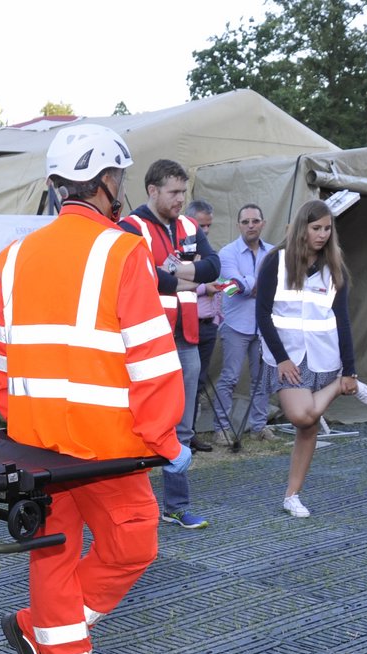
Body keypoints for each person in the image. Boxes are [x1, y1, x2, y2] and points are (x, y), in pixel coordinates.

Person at [0, 125, 187, 654]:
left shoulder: (14, 256)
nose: (121, 189)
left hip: (37, 442)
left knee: (54, 554)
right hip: (106, 447)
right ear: (104, 182)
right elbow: (152, 361)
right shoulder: (126, 252)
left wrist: (28, 418)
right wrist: (163, 439)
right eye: (120, 178)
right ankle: (51, 649)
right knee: (133, 541)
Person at [119, 158, 218, 529]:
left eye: (184, 192)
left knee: (182, 428)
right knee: (136, 426)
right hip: (145, 340)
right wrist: (187, 277)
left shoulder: (190, 225)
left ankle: (176, 505)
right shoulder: (131, 226)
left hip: (185, 339)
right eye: (174, 192)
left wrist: (176, 272)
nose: (181, 199)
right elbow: (147, 278)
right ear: (153, 191)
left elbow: (214, 267)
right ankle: (132, 507)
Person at [255, 200, 361, 518]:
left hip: (324, 358)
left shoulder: (335, 267)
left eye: (327, 229)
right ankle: (339, 388)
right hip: (286, 357)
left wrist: (350, 368)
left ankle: (293, 495)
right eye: (316, 228)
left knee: (309, 427)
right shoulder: (277, 260)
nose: (322, 235)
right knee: (302, 416)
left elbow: (342, 319)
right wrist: (282, 359)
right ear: (302, 227)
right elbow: (262, 314)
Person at [211, 203, 277, 445]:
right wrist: (256, 284)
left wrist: (247, 285)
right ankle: (222, 429)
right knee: (229, 377)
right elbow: (228, 288)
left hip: (263, 326)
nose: (251, 225)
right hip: (236, 325)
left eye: (255, 221)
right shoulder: (227, 253)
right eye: (246, 221)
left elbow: (276, 287)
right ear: (239, 225)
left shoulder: (272, 253)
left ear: (263, 223)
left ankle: (259, 426)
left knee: (261, 379)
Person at [184, 200, 220, 451]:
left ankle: (190, 432)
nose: (205, 231)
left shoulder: (208, 254)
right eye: (201, 225)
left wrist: (218, 317)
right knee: (181, 380)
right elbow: (169, 281)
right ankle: (177, 435)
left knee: (198, 381)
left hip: (207, 325)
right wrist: (202, 288)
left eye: (208, 226)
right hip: (186, 325)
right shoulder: (179, 251)